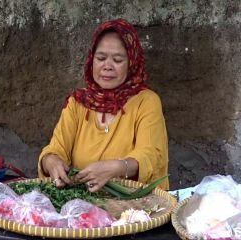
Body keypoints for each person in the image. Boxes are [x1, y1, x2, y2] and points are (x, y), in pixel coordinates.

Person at [38, 18, 169, 192]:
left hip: (133, 207)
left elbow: (151, 155)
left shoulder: (146, 102)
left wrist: (118, 168)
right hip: (83, 204)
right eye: (101, 58)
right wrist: (51, 161)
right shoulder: (78, 103)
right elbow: (57, 148)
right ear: (92, 60)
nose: (107, 66)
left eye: (117, 60)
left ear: (132, 63)